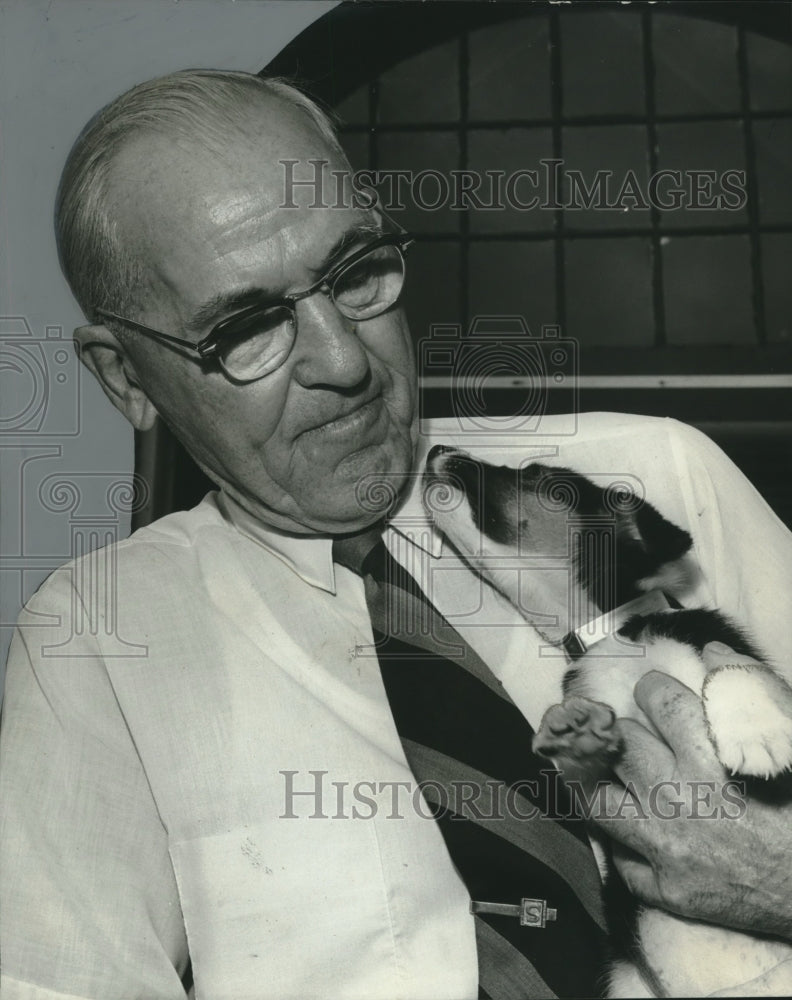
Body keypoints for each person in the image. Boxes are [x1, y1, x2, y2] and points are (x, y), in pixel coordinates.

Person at [2, 69, 792, 1000]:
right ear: (126, 377)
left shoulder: (656, 482)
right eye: (247, 329)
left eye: (356, 273)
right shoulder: (101, 634)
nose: (344, 361)